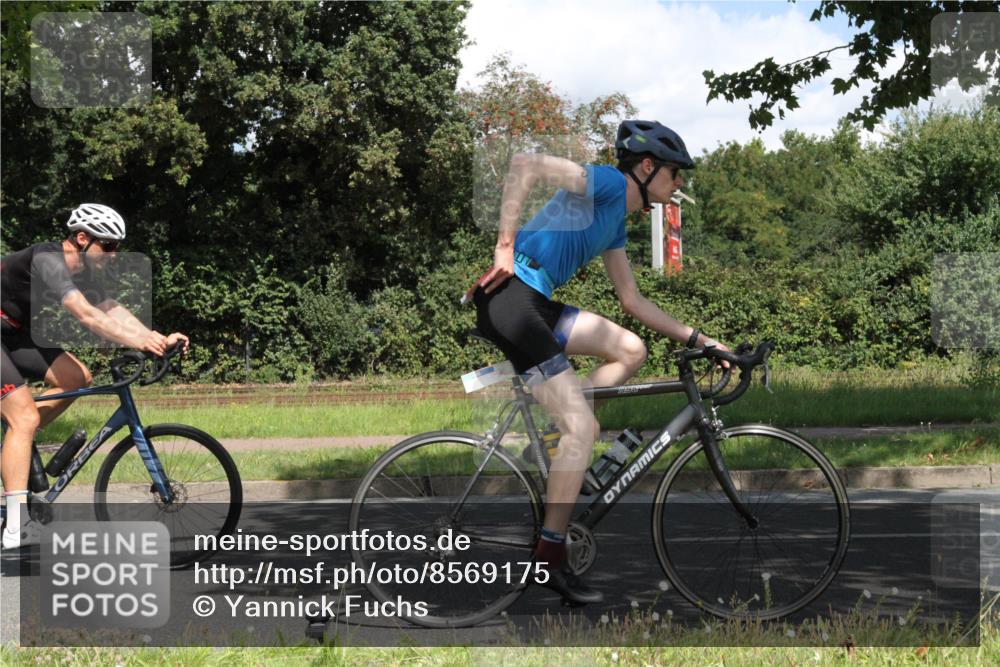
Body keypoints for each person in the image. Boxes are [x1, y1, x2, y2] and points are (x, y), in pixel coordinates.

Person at [469, 120, 730, 604]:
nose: (678, 187)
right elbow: (525, 165)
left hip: (536, 303)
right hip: (513, 298)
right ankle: (549, 556)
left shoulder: (614, 222)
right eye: (675, 175)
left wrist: (700, 338)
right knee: (583, 430)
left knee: (630, 349)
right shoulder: (609, 183)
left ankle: (559, 437)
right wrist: (503, 246)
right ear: (647, 168)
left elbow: (631, 300)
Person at [0, 204, 189, 549]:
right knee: (25, 417)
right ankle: (17, 527)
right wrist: (140, 341)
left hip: (11, 335)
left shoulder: (80, 272)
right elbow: (86, 315)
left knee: (77, 378)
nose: (115, 255)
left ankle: (16, 445)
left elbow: (109, 309)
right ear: (83, 239)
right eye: (109, 246)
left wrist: (156, 339)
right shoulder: (48, 260)